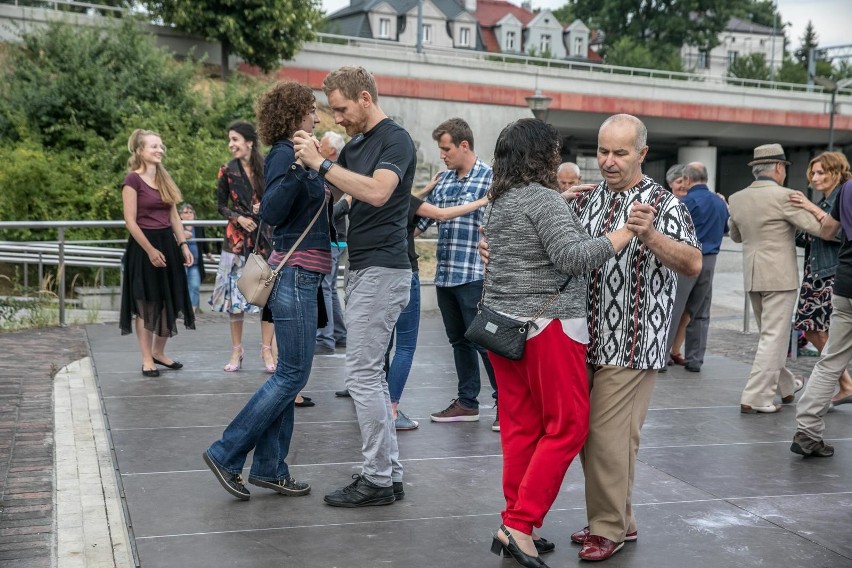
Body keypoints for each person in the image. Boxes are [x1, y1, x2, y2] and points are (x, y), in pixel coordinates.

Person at [483, 119, 634, 568]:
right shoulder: (544, 200)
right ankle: (520, 525)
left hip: (502, 328)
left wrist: (561, 208)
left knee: (520, 429)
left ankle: (514, 522)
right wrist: (626, 231)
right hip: (548, 328)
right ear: (543, 155)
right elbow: (574, 257)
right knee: (568, 426)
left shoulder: (502, 199)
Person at [565, 114, 701, 561]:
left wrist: (651, 234)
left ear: (642, 153)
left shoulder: (664, 203)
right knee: (598, 435)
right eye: (603, 151)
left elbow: (693, 263)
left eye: (619, 152)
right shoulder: (589, 199)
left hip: (635, 337)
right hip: (587, 336)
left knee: (607, 435)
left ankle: (608, 528)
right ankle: (620, 516)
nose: (608, 160)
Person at [203, 81, 330, 500]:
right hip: (294, 274)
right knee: (292, 374)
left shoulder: (298, 155)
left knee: (290, 375)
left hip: (303, 274)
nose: (317, 115)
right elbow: (271, 210)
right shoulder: (282, 154)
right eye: (311, 109)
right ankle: (226, 452)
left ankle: (271, 468)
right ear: (295, 114)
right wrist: (299, 168)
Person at [293, 66, 414, 507]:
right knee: (371, 379)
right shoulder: (359, 144)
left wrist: (321, 163)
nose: (338, 120)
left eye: (342, 109)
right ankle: (389, 473)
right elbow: (341, 197)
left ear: (365, 98)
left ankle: (378, 478)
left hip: (384, 267)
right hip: (363, 267)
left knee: (362, 376)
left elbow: (379, 192)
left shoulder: (393, 139)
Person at [416, 118, 499, 431]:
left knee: (484, 343)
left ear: (465, 145)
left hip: (475, 275)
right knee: (458, 342)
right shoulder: (444, 181)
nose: (442, 155)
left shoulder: (492, 179)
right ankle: (467, 402)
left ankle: (506, 404)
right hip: (446, 275)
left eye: (446, 148)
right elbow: (421, 224)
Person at [728, 143, 822, 413]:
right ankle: (755, 397)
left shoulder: (737, 198)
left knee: (770, 337)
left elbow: (736, 236)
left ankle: (787, 386)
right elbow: (818, 229)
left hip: (753, 275)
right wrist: (814, 209)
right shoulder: (786, 196)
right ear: (779, 168)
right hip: (780, 276)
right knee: (773, 339)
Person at [119, 129, 195, 376]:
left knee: (169, 300)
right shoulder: (133, 180)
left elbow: (174, 216)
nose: (159, 150)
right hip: (144, 246)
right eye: (153, 146)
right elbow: (130, 221)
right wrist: (150, 250)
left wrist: (183, 245)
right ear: (140, 151)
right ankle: (146, 358)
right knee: (147, 303)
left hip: (167, 243)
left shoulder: (164, 178)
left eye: (161, 146)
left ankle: (159, 353)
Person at [791, 171, 852, 457]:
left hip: (844, 283)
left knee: (831, 359)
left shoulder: (847, 189)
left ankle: (807, 431)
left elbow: (827, 231)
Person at [209, 121, 276, 373]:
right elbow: (220, 205)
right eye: (230, 139)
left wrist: (264, 209)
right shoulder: (226, 170)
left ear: (249, 141)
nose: (231, 144)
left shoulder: (267, 166)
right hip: (236, 243)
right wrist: (238, 217)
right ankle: (237, 350)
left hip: (264, 239)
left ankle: (266, 349)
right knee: (235, 300)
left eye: (235, 139)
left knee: (267, 299)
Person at [663, 162, 729, 373]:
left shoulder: (684, 202)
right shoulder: (720, 203)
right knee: (700, 312)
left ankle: (661, 357)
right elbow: (726, 228)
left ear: (688, 180)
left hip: (686, 259)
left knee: (674, 308)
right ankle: (695, 359)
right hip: (710, 261)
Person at [315, 130, 348, 355]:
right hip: (339, 238)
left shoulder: (332, 172)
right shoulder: (340, 172)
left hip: (332, 237)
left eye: (323, 145)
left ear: (332, 151)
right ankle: (339, 334)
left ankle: (324, 339)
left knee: (324, 286)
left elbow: (329, 208)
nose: (319, 147)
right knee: (330, 288)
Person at [660, 163, 689, 370]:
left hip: (688, 263)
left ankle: (675, 349)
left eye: (686, 181)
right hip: (669, 265)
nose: (683, 186)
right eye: (679, 182)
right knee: (672, 308)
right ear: (671, 184)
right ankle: (664, 351)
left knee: (686, 311)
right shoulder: (665, 203)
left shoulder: (691, 202)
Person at [178, 203, 209, 314]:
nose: (189, 214)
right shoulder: (178, 226)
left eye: (191, 212)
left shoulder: (197, 225)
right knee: (182, 286)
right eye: (186, 212)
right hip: (181, 262)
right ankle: (182, 309)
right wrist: (181, 235)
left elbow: (203, 241)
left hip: (195, 263)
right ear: (180, 215)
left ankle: (192, 310)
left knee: (195, 286)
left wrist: (208, 254)